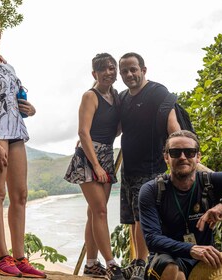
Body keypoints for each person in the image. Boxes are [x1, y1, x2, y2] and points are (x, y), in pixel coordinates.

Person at [139, 130, 222, 280]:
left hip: (204, 259)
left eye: (189, 152)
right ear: (166, 157)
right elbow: (152, 239)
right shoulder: (152, 190)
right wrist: (192, 249)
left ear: (198, 157)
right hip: (169, 258)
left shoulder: (209, 182)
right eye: (175, 152)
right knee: (171, 269)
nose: (183, 157)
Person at [0, 16, 45, 278]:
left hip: (16, 131)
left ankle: (20, 257)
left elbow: (13, 100)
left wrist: (30, 109)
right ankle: (2, 257)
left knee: (20, 195)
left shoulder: (9, 67)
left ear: (0, 34)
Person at [118, 52, 181, 279]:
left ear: (144, 69)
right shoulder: (123, 98)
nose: (129, 74)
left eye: (133, 69)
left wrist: (180, 154)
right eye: (124, 71)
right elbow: (116, 128)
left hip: (152, 167)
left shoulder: (157, 93)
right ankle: (138, 262)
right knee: (133, 218)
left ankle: (143, 264)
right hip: (130, 168)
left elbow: (172, 125)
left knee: (143, 217)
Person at [64, 53, 124, 280]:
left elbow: (116, 129)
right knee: (100, 210)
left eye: (111, 68)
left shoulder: (116, 97)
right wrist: (96, 165)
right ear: (94, 74)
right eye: (103, 69)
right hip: (90, 157)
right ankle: (111, 264)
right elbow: (83, 131)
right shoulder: (91, 96)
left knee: (93, 213)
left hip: (107, 154)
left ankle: (91, 264)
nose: (109, 72)